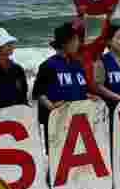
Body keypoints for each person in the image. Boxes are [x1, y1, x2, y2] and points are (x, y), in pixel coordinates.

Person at [31, 21, 97, 151]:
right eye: (76, 40)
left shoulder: (77, 65)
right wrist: (51, 106)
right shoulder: (48, 66)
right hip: (57, 121)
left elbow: (80, 89)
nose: (78, 44)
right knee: (57, 158)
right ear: (65, 43)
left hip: (79, 121)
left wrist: (90, 97)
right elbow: (38, 92)